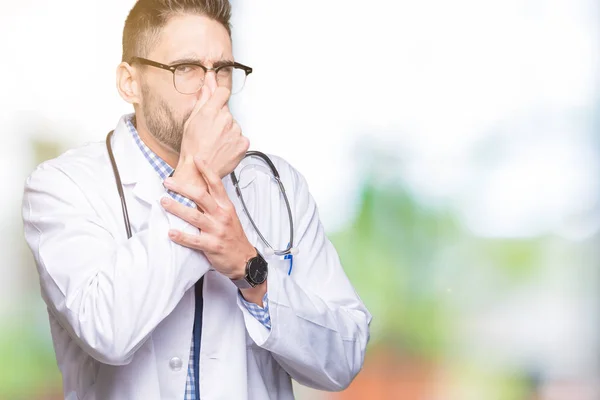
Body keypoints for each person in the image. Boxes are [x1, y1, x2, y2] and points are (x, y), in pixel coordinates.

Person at [21, 1, 371, 399]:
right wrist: (198, 171)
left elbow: (344, 356)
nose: (212, 90)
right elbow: (107, 331)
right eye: (185, 69)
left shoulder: (276, 185)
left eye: (222, 70)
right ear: (129, 83)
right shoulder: (63, 186)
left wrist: (252, 273)